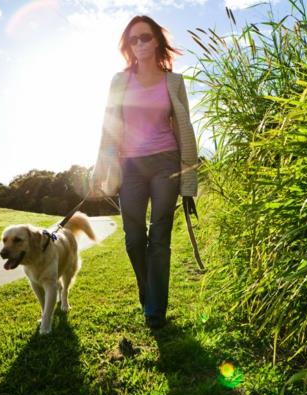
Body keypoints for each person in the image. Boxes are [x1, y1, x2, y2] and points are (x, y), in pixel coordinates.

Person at [90, 15, 198, 329]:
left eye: (146, 37)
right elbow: (108, 126)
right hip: (131, 167)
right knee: (134, 238)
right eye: (134, 39)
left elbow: (185, 129)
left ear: (157, 41)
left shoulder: (173, 81)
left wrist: (188, 181)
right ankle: (146, 290)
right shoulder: (119, 81)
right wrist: (101, 166)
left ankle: (155, 312)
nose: (140, 43)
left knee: (159, 236)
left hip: (166, 162)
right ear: (128, 45)